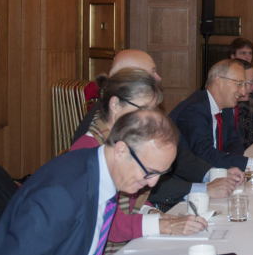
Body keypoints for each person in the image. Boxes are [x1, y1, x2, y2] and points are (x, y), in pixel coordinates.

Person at [0, 109, 180, 255]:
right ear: (121, 151)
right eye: (150, 172)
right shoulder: (60, 196)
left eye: (161, 174)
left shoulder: (101, 173)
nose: (152, 183)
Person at [72, 49, 242, 209]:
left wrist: (213, 174)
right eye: (152, 72)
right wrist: (203, 189)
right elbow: (121, 200)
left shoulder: (136, 113)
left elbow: (177, 154)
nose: (159, 77)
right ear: (130, 77)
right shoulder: (95, 135)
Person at [70, 69, 209, 255]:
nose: (149, 118)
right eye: (143, 109)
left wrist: (153, 214)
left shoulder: (130, 143)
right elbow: (104, 221)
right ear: (115, 105)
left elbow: (134, 199)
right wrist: (162, 225)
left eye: (153, 110)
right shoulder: (88, 150)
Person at [172, 59, 253, 170]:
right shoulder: (194, 109)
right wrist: (251, 163)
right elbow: (205, 154)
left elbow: (233, 142)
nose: (243, 92)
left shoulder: (226, 107)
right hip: (189, 181)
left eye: (244, 85)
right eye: (239, 84)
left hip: (215, 173)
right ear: (218, 82)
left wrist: (235, 167)